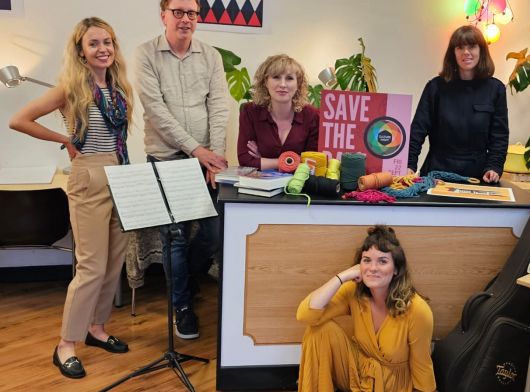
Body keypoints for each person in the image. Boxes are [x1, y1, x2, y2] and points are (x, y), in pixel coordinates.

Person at [9, 17, 133, 378]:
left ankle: (96, 328)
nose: (103, 49)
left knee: (114, 262)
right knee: (91, 266)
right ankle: (66, 344)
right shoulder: (70, 88)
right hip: (89, 175)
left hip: (121, 173)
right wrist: (64, 140)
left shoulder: (120, 87)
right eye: (94, 43)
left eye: (108, 42)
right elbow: (20, 119)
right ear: (81, 50)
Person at [135, 0, 231, 340]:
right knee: (174, 238)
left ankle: (186, 284)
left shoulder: (211, 56)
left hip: (205, 163)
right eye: (178, 12)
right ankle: (183, 307)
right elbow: (156, 112)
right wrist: (197, 149)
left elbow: (219, 105)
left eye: (192, 13)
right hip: (167, 159)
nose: (186, 19)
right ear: (163, 15)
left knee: (214, 233)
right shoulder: (146, 54)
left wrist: (215, 156)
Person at [296, 225, 436, 392]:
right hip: (358, 372)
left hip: (391, 385)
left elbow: (422, 365)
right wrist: (343, 276)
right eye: (367, 260)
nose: (373, 268)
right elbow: (306, 315)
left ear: (396, 269)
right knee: (317, 330)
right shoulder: (354, 291)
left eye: (382, 261)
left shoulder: (417, 310)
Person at [408, 25, 509, 183]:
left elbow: (499, 136)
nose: (466, 52)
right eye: (460, 47)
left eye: (472, 46)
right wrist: (409, 165)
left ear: (481, 50)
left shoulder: (496, 89)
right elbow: (417, 130)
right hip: (436, 173)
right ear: (453, 53)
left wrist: (494, 167)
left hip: (478, 176)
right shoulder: (435, 87)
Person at [237, 54, 319, 170]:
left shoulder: (312, 115)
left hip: (300, 185)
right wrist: (289, 162)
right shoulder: (250, 112)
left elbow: (312, 163)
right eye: (276, 77)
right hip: (260, 185)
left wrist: (263, 160)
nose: (282, 84)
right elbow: (245, 160)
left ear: (298, 84)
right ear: (266, 82)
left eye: (289, 78)